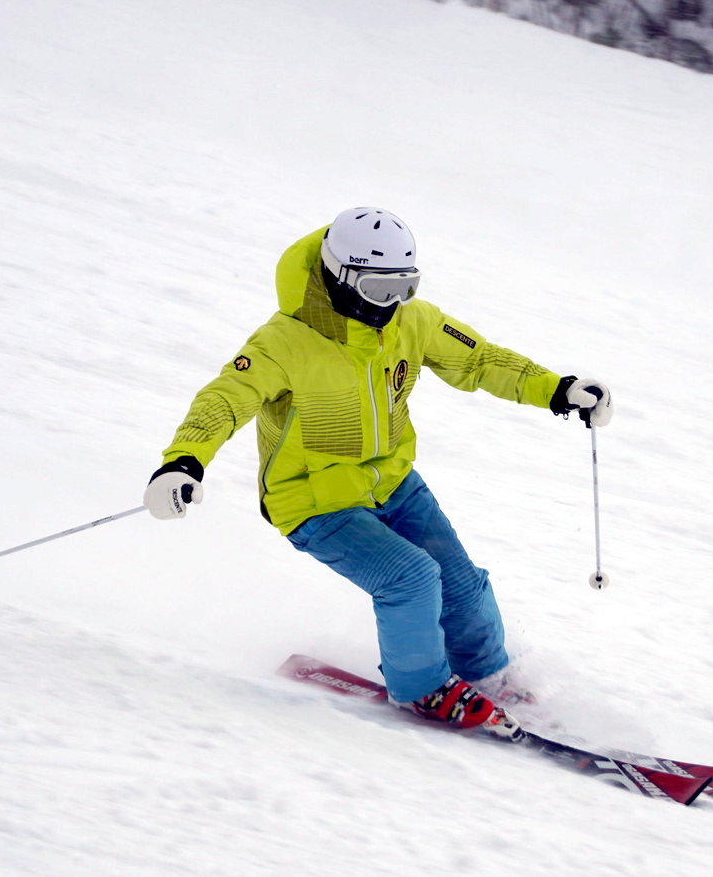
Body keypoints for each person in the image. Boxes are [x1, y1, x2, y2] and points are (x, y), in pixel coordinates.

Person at [143, 207, 612, 738]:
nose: (391, 304)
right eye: (377, 287)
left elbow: (480, 360)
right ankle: (422, 689)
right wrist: (183, 462)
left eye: (404, 287)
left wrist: (556, 389)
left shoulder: (412, 322)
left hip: (393, 482)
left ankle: (488, 676)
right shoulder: (284, 342)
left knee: (463, 586)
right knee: (411, 578)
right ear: (340, 276)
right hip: (315, 499)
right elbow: (224, 401)